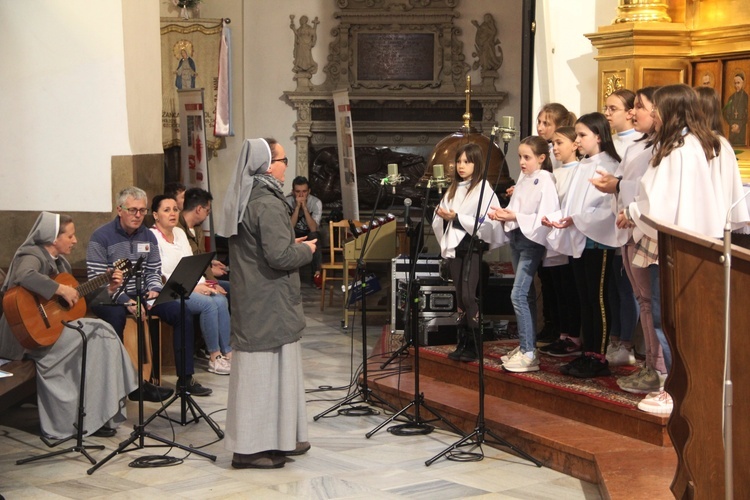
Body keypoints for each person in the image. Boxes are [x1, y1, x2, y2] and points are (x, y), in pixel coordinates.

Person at [620, 84, 725, 414]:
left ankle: (674, 389)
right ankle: (678, 387)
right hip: (682, 243)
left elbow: (659, 206)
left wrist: (632, 212)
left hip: (673, 244)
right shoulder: (690, 144)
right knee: (671, 319)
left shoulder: (679, 149)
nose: (654, 114)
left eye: (657, 108)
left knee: (668, 319)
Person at [219, 138, 316, 469]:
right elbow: (279, 256)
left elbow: (261, 247)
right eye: (283, 159)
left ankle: (279, 438)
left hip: (254, 298)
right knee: (261, 377)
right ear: (268, 165)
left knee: (268, 374)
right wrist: (307, 250)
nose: (286, 165)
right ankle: (248, 450)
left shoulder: (249, 198)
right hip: (268, 302)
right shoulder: (269, 203)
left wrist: (291, 242)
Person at [0, 212, 138, 439]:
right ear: (54, 238)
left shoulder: (61, 263)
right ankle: (86, 416)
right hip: (25, 337)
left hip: (52, 331)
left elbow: (76, 300)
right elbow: (25, 275)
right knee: (99, 335)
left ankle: (100, 414)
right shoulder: (32, 254)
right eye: (70, 236)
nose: (75, 241)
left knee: (103, 334)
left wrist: (108, 289)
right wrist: (59, 289)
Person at [87, 186, 211, 397]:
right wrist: (126, 300)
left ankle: (185, 379)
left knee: (181, 311)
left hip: (142, 293)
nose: (138, 215)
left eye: (142, 210)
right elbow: (97, 281)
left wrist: (154, 288)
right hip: (109, 297)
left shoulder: (148, 236)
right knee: (116, 317)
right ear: (119, 209)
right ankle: (125, 384)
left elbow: (153, 269)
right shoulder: (101, 237)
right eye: (133, 210)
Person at [591, 86, 668, 394]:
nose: (633, 112)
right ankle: (651, 366)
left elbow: (654, 187)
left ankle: (658, 369)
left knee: (650, 304)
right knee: (643, 302)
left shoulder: (663, 146)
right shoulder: (642, 142)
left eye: (639, 106)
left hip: (645, 228)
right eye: (633, 106)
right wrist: (617, 185)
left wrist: (619, 184)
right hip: (630, 224)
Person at [545, 112, 622, 378]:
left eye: (582, 135)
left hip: (598, 242)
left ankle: (598, 357)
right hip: (580, 238)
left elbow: (607, 208)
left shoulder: (611, 164)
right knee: (584, 298)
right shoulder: (583, 166)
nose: (577, 141)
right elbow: (572, 204)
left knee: (597, 298)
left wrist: (576, 218)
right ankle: (586, 352)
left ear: (599, 136)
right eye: (576, 135)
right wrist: (561, 218)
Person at [489, 136, 560, 372]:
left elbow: (547, 215)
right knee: (526, 295)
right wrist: (502, 213)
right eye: (520, 156)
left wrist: (514, 217)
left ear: (541, 158)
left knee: (518, 294)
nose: (522, 162)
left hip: (532, 240)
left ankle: (529, 352)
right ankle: (525, 347)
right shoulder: (524, 178)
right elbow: (518, 208)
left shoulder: (546, 180)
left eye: (527, 157)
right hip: (519, 237)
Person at [432, 143, 502, 363]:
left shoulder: (483, 189)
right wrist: (442, 216)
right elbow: (440, 217)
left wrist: (457, 218)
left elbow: (488, 220)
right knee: (459, 293)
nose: (461, 166)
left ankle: (474, 342)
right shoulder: (454, 188)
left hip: (472, 246)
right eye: (459, 161)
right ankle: (461, 340)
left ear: (476, 163)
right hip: (456, 247)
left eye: (467, 161)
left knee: (469, 294)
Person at [150, 195, 231, 376]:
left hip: (188, 285)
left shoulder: (179, 233)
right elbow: (162, 274)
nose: (172, 213)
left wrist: (207, 284)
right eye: (166, 210)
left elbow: (190, 266)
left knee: (219, 299)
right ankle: (214, 356)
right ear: (156, 215)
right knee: (207, 304)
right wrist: (194, 288)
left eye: (175, 209)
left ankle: (228, 352)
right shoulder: (152, 236)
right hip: (169, 290)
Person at [602, 89, 640, 367]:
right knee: (612, 287)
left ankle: (627, 342)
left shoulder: (639, 142)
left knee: (628, 288)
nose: (607, 113)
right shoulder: (609, 143)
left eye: (612, 108)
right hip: (610, 222)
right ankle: (614, 339)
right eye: (606, 108)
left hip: (632, 222)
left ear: (629, 112)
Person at [534, 103, 577, 344]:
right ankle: (551, 325)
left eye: (546, 123)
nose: (540, 128)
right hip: (544, 232)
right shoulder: (546, 155)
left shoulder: (565, 163)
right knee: (548, 283)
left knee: (562, 285)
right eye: (539, 122)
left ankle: (564, 330)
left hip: (561, 234)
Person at [178, 187, 229, 291]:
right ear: (199, 209)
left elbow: (202, 258)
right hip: (188, 281)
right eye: (207, 211)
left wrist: (213, 282)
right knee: (220, 300)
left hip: (202, 277)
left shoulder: (198, 229)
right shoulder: (177, 229)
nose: (207, 215)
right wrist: (213, 283)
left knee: (234, 289)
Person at [286, 176, 323, 282]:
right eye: (298, 192)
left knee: (315, 236)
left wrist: (305, 208)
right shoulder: (287, 202)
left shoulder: (316, 202)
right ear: (293, 192)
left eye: (304, 191)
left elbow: (313, 228)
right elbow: (289, 228)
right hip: (293, 233)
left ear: (309, 191)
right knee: (286, 236)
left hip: (309, 234)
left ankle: (317, 274)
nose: (301, 195)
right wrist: (297, 208)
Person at [723, 71, 748, 146]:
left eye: (738, 83)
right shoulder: (731, 98)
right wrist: (732, 124)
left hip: (743, 130)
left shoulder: (746, 97)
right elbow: (726, 114)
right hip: (732, 130)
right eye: (735, 83)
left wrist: (739, 126)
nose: (736, 85)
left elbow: (747, 114)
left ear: (743, 83)